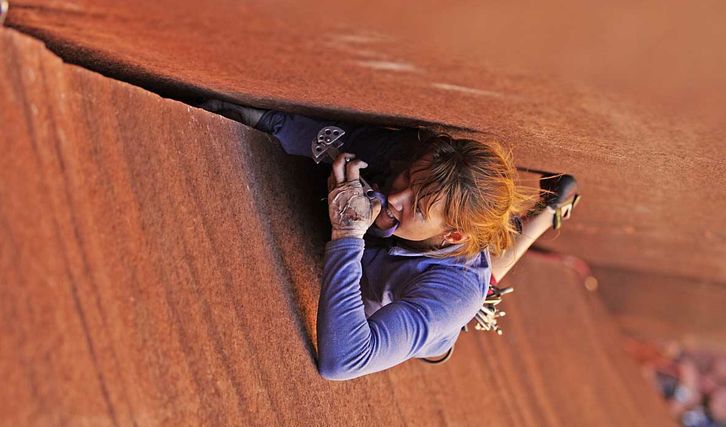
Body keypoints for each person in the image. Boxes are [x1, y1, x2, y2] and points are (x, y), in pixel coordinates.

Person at [200, 101, 580, 381]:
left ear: (452, 233)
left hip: (445, 307)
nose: (396, 197)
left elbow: (343, 360)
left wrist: (348, 235)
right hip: (429, 246)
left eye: (417, 204)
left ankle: (542, 216)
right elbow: (327, 136)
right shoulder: (411, 160)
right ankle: (534, 211)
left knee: (482, 290)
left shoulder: (451, 295)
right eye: (405, 182)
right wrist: (268, 121)